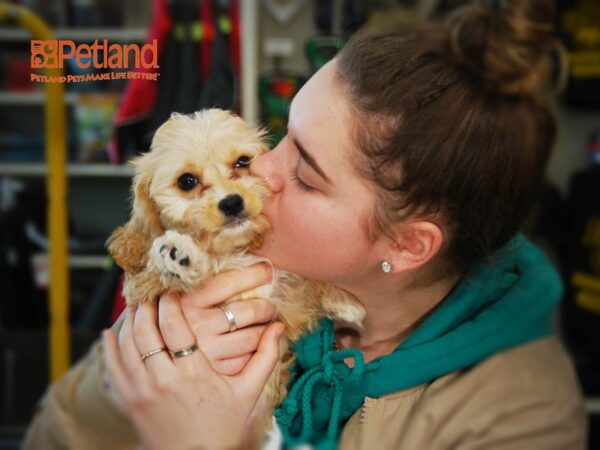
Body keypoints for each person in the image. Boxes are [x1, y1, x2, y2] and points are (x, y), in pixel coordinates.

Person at [24, 0, 588, 449]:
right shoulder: (218, 274)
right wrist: (124, 391)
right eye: (281, 136)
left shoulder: (519, 416)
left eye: (308, 174)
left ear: (408, 243)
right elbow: (51, 436)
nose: (260, 174)